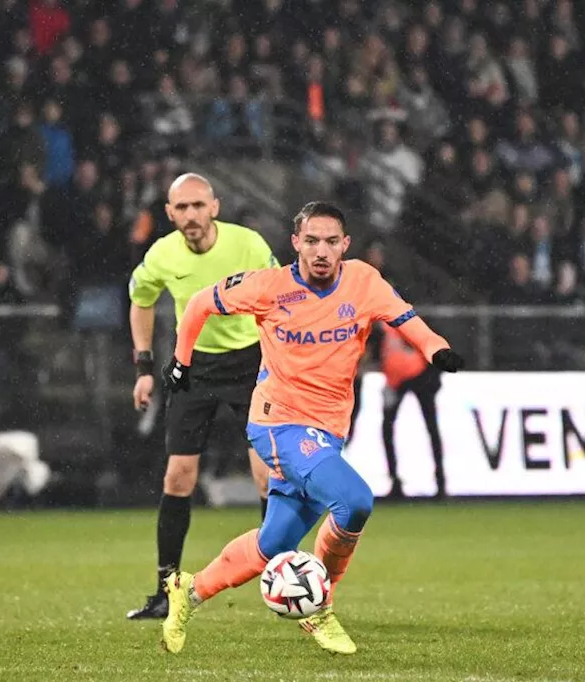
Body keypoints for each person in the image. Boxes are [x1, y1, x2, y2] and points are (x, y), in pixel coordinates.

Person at [157, 201, 464, 654]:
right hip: (278, 423)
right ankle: (320, 609)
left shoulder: (363, 281)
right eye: (312, 241)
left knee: (273, 543)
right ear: (296, 243)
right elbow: (201, 303)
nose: (321, 250)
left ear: (345, 245)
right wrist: (181, 363)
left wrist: (437, 349)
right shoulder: (269, 287)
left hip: (327, 430)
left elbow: (406, 321)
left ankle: (189, 590)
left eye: (331, 241)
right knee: (355, 500)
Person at [125, 173, 277, 620]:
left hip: (250, 363)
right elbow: (141, 301)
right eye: (181, 208)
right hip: (192, 366)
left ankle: (278, 582)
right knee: (178, 478)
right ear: (170, 214)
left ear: (215, 206)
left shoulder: (247, 244)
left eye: (197, 205)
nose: (191, 215)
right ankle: (164, 592)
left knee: (267, 477)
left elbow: (281, 298)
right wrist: (144, 368)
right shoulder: (161, 254)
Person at [376, 321, 447, 499]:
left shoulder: (398, 325)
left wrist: (434, 375)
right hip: (398, 380)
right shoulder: (382, 329)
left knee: (429, 427)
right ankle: (396, 481)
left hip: (418, 376)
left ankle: (439, 482)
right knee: (391, 429)